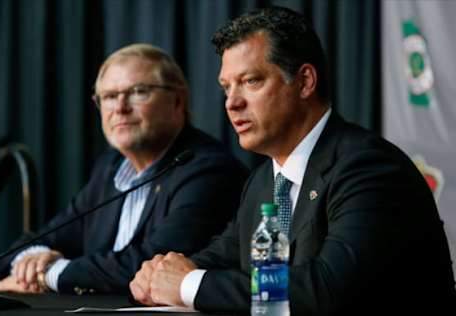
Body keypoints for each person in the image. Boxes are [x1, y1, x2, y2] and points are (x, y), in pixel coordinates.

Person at [130, 7, 456, 315]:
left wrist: (188, 284)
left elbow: (327, 288)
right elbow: (224, 256)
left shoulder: (369, 168)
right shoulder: (262, 181)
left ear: (304, 82)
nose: (232, 103)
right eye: (226, 87)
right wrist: (161, 274)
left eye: (251, 81)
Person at [0, 43, 247, 295]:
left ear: (177, 101)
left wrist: (49, 275)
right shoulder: (110, 167)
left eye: (138, 92)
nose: (120, 108)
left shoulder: (208, 170)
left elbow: (151, 265)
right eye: (110, 97)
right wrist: (30, 261)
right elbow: (49, 236)